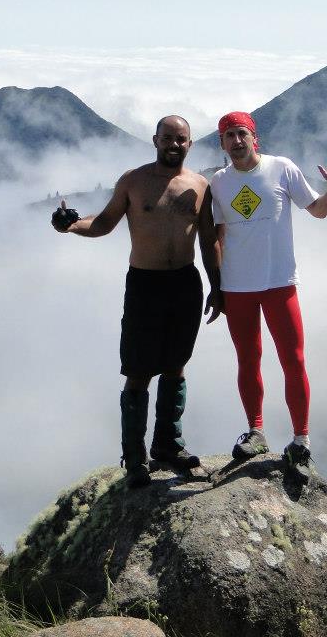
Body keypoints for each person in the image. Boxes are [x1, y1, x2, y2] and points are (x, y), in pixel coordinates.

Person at [52, 115, 221, 488]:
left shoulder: (200, 186)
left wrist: (217, 286)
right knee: (139, 370)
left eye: (181, 139)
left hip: (185, 283)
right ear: (156, 140)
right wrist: (71, 224)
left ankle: (168, 445)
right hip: (145, 284)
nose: (174, 144)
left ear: (190, 144)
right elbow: (104, 223)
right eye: (167, 138)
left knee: (176, 365)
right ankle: (134, 458)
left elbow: (209, 240)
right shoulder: (133, 181)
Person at [209, 111, 327, 483]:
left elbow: (318, 210)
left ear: (254, 137)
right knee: (248, 360)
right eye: (228, 136)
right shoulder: (219, 182)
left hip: (279, 283)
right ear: (221, 143)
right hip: (237, 286)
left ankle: (301, 440)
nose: (236, 141)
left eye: (241, 134)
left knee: (294, 360)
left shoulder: (282, 168)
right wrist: (217, 286)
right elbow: (218, 237)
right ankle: (255, 432)